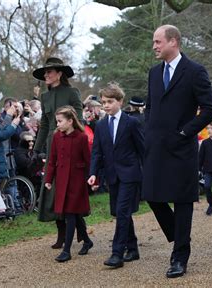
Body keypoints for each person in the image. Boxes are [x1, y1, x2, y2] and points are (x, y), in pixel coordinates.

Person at [142, 25, 212, 278]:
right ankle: (179, 236)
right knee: (152, 196)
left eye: (158, 41)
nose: (154, 46)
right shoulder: (154, 73)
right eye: (154, 42)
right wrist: (148, 131)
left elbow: (210, 109)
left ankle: (180, 256)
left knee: (183, 201)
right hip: (155, 147)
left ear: (173, 42)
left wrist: (186, 132)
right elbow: (150, 106)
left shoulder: (195, 71)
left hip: (182, 148)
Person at [88, 83, 144, 268]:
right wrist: (93, 174)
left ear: (120, 101)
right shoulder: (102, 125)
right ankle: (133, 248)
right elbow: (96, 152)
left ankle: (117, 254)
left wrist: (149, 174)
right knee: (121, 212)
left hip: (130, 174)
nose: (106, 105)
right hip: (112, 176)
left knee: (121, 212)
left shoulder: (132, 122)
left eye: (110, 101)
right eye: (103, 102)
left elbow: (142, 150)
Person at [32, 57, 83, 249]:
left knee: (70, 191)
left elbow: (79, 119)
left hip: (71, 144)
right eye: (45, 72)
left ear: (59, 73)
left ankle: (82, 233)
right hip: (52, 145)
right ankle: (62, 234)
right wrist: (36, 149)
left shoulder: (72, 92)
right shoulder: (44, 97)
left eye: (49, 72)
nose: (46, 75)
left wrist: (76, 141)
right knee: (52, 189)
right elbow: (45, 124)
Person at [44, 106, 93, 262]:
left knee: (70, 214)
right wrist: (48, 180)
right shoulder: (57, 137)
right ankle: (87, 241)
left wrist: (92, 178)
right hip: (61, 180)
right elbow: (52, 160)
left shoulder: (81, 137)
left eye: (60, 121)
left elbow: (88, 160)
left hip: (77, 181)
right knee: (74, 213)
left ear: (70, 121)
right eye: (56, 121)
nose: (57, 124)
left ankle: (66, 250)